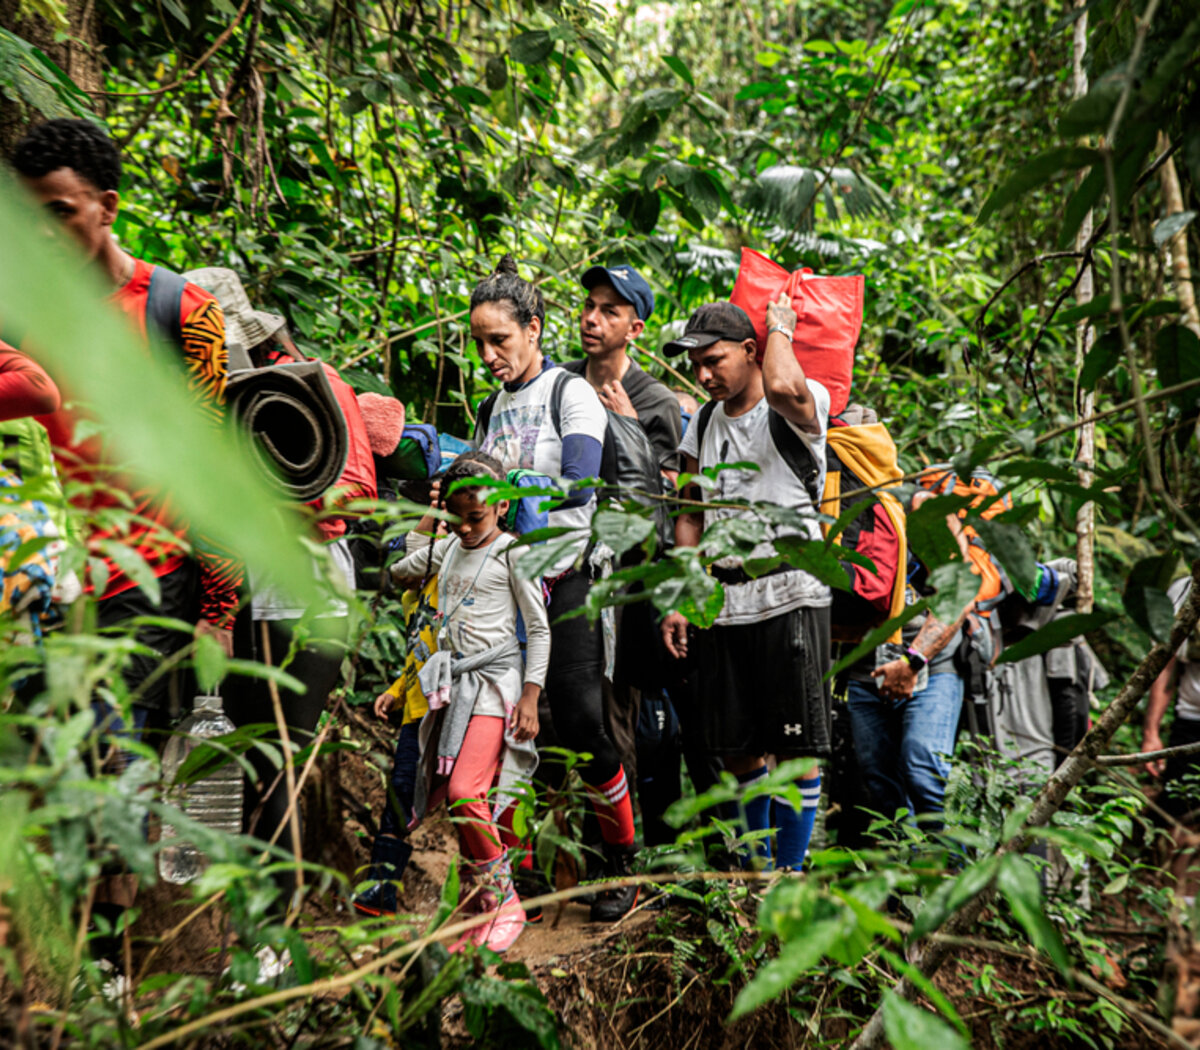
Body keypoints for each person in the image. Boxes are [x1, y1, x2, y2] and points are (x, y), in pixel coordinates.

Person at [11, 118, 240, 740]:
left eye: (59, 212)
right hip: (41, 582)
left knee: (118, 759)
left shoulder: (181, 310)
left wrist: (219, 607)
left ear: (106, 207)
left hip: (146, 579)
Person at [183, 267, 376, 864]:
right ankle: (259, 926)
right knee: (260, 761)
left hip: (301, 594)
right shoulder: (216, 397)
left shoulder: (317, 388)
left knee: (275, 764)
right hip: (263, 600)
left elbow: (357, 492)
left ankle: (274, 934)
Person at [470, 255, 639, 922]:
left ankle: (620, 862)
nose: (488, 356)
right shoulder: (493, 405)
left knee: (581, 719)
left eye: (499, 341)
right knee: (512, 729)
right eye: (479, 343)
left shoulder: (567, 393)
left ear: (533, 330)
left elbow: (581, 480)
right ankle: (523, 879)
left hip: (567, 576)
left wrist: (509, 493)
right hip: (506, 587)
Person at [661, 297, 831, 871]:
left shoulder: (799, 402)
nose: (705, 376)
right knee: (736, 748)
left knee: (794, 745)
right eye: (697, 366)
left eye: (715, 360)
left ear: (752, 351)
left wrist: (780, 325)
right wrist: (684, 594)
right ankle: (753, 875)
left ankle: (789, 873)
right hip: (725, 599)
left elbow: (785, 388)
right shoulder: (703, 422)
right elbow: (689, 511)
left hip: (791, 590)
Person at [383, 451, 547, 952]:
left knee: (463, 791)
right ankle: (481, 908)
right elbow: (399, 570)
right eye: (457, 518)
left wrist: (531, 697)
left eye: (476, 517)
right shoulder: (449, 547)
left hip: (495, 685)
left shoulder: (514, 554)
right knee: (457, 801)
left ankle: (504, 903)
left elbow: (538, 630)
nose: (466, 528)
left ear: (499, 507)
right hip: (455, 688)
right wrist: (435, 521)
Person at [563, 263, 683, 819]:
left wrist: (630, 427)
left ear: (635, 328)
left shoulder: (654, 402)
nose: (592, 318)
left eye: (610, 310)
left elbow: (662, 510)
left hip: (621, 591)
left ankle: (619, 865)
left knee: (611, 721)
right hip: (555, 574)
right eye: (589, 306)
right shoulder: (558, 382)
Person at [843, 488, 971, 835]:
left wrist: (913, 660)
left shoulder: (919, 507)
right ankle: (905, 881)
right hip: (865, 665)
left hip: (932, 660)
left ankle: (952, 881)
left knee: (923, 768)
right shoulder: (828, 504)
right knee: (880, 787)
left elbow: (959, 591)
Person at [1142, 575, 1199, 810]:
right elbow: (1166, 663)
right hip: (1191, 722)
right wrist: (1151, 733)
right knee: (1180, 814)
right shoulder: (1186, 590)